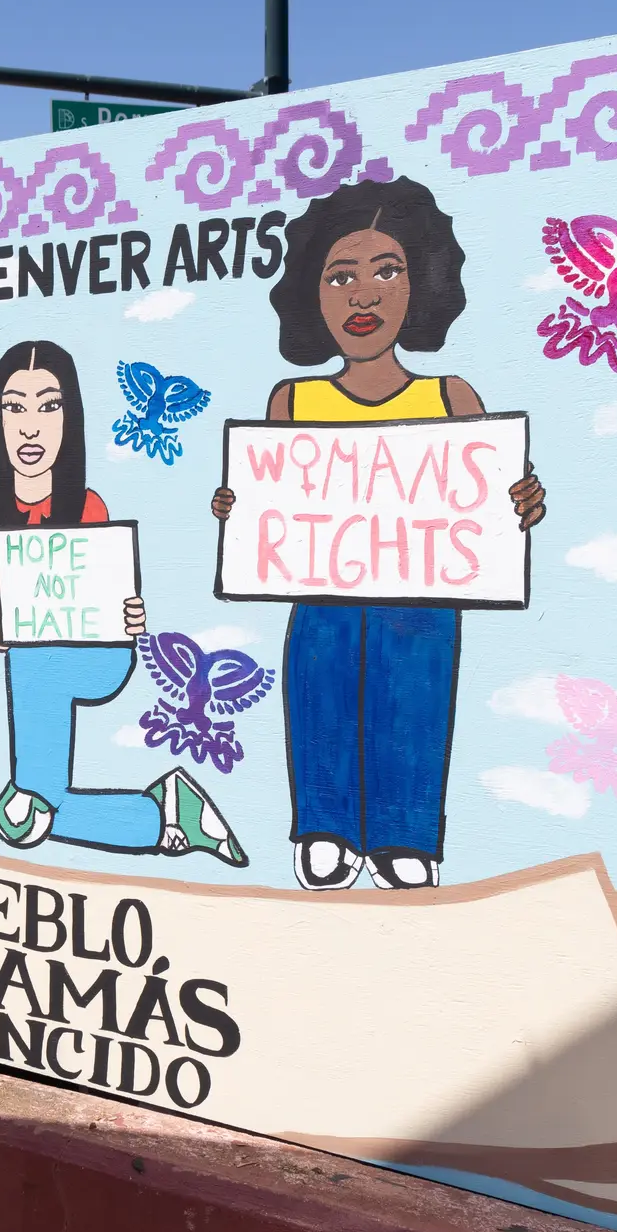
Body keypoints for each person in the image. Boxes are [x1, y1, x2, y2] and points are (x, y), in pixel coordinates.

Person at [209, 178, 548, 889]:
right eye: (340, 277)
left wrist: (521, 500)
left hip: (421, 598)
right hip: (322, 596)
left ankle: (405, 836)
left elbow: (491, 495)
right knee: (320, 686)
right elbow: (268, 503)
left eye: (386, 271)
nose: (362, 295)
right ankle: (324, 826)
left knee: (414, 695)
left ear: (419, 284)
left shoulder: (449, 397)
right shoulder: (293, 400)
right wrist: (237, 506)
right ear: (313, 295)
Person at [0, 341, 242, 863]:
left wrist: (129, 617)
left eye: (49, 406)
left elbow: (100, 607)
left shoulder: (87, 506)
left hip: (97, 657)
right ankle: (163, 816)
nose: (31, 428)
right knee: (25, 815)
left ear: (70, 419)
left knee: (34, 663)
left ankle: (35, 795)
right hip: (34, 663)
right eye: (15, 408)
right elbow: (1, 639)